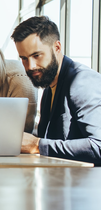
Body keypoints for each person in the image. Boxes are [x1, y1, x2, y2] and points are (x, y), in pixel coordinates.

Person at [11, 16, 101, 165]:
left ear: (57, 48)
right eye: (24, 58)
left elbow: (98, 146)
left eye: (36, 55)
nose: (31, 66)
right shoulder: (49, 86)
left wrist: (37, 145)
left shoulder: (81, 81)